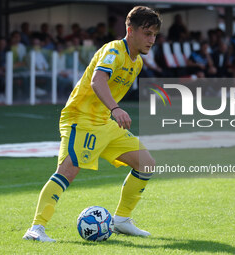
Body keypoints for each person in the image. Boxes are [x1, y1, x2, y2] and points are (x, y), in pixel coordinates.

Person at [23, 6, 161, 242]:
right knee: (67, 171)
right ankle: (36, 229)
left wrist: (111, 113)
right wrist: (115, 109)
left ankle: (121, 220)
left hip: (104, 122)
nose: (152, 40)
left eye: (155, 34)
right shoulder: (114, 50)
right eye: (147, 33)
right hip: (81, 118)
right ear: (130, 30)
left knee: (146, 164)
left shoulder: (136, 62)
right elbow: (98, 81)